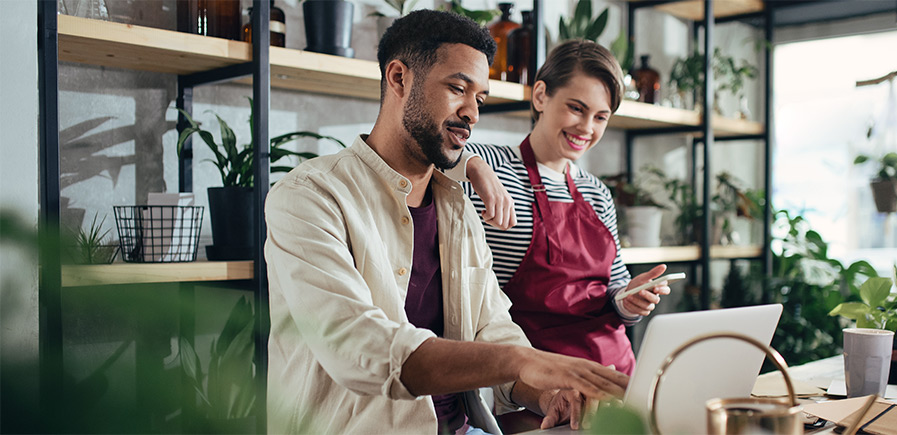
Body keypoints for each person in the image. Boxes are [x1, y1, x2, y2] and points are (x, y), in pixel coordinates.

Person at [264, 10, 628, 435]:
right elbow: (358, 347)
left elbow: (493, 329)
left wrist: (547, 394)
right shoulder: (310, 197)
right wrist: (524, 360)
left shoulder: (458, 208)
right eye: (458, 88)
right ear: (399, 78)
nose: (472, 113)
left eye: (481, 100)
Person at [449, 40, 672, 376]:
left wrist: (631, 299)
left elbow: (614, 289)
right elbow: (424, 156)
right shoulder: (489, 164)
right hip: (534, 377)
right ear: (540, 96)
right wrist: (475, 167)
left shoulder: (596, 191)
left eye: (601, 117)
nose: (587, 128)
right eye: (576, 108)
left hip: (615, 371)